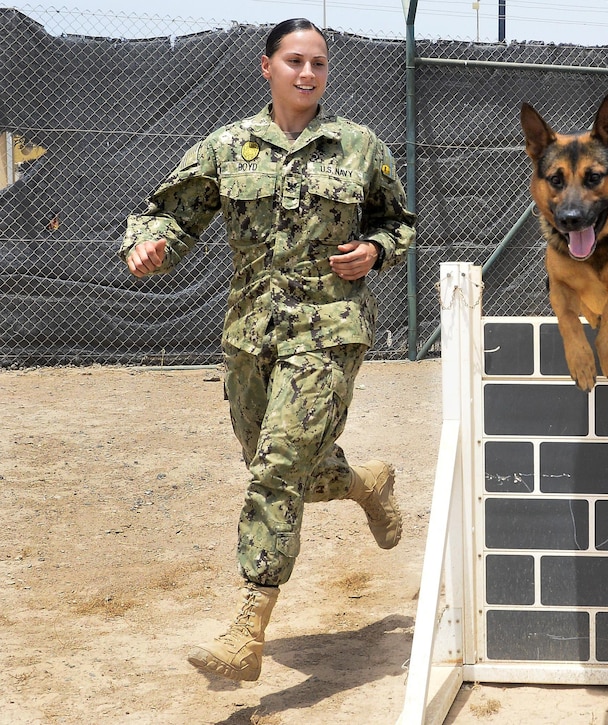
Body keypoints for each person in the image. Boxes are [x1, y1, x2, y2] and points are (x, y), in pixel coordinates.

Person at [120, 18, 416, 682]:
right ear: (267, 68)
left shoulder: (358, 146)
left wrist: (375, 249)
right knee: (285, 469)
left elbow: (397, 221)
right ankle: (365, 481)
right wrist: (148, 245)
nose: (307, 74)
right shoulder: (228, 148)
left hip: (331, 329)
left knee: (275, 471)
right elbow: (166, 212)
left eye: (318, 63)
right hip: (250, 337)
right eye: (294, 62)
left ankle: (248, 626)